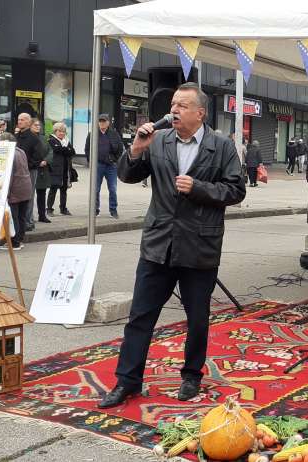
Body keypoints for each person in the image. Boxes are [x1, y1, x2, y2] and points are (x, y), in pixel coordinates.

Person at [97, 83, 245, 408]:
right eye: (173, 104)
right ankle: (127, 381)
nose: (174, 110)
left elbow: (236, 190)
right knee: (140, 316)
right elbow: (127, 175)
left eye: (182, 105)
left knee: (197, 318)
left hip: (199, 246)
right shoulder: (159, 139)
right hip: (158, 244)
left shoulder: (221, 146)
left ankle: (191, 375)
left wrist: (199, 188)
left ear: (200, 113)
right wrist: (136, 149)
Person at [85, 114, 125, 218]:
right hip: (98, 165)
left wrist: (115, 160)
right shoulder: (92, 134)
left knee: (113, 189)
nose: (102, 123)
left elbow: (120, 148)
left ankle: (113, 210)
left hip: (111, 166)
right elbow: (87, 149)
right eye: (100, 121)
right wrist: (91, 162)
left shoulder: (114, 134)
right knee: (96, 189)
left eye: (104, 121)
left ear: (108, 122)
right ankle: (95, 210)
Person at [2, 131, 31, 251]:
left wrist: (6, 193)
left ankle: (15, 242)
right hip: (25, 188)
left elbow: (10, 176)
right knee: (21, 216)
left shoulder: (10, 155)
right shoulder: (20, 151)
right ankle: (20, 239)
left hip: (15, 189)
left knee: (14, 217)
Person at [14, 113, 41, 231]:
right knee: (17, 196)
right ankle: (21, 221)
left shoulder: (34, 138)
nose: (19, 121)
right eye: (19, 119)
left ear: (29, 122)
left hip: (29, 170)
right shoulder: (16, 136)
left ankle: (28, 222)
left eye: (22, 120)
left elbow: (38, 156)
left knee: (28, 196)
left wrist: (28, 165)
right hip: (16, 171)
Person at [47, 122, 75, 215]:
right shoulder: (51, 140)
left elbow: (72, 152)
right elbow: (57, 150)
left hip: (65, 169)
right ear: (55, 131)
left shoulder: (66, 141)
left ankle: (63, 208)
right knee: (53, 189)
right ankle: (49, 209)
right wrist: (66, 149)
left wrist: (64, 149)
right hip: (55, 169)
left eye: (63, 131)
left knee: (64, 190)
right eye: (60, 131)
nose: (62, 133)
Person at [31, 120, 53, 223]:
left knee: (42, 193)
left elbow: (50, 151)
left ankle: (42, 215)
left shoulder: (43, 138)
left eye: (39, 125)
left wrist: (46, 160)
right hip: (31, 168)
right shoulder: (28, 138)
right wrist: (36, 162)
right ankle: (29, 217)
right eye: (35, 125)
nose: (38, 127)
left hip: (42, 170)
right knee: (29, 195)